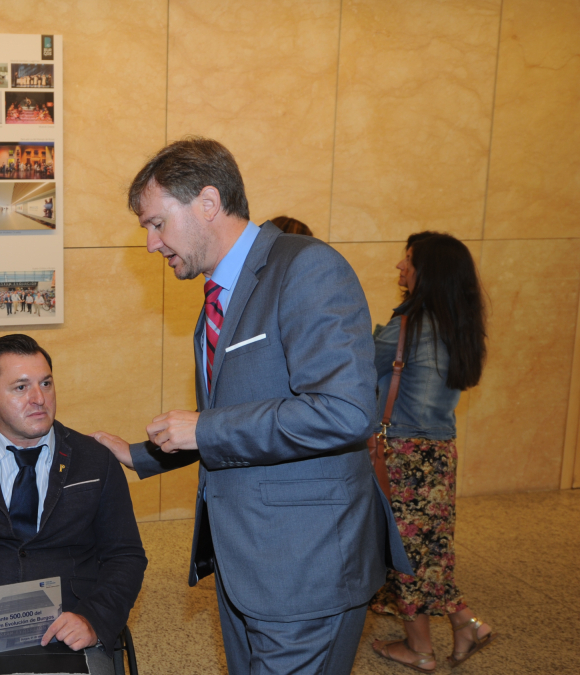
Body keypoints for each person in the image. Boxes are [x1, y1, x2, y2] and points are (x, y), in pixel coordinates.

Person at [93, 137, 411, 675]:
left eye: (156, 224)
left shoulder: (307, 269)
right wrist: (139, 455)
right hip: (249, 566)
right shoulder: (219, 297)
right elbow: (234, 417)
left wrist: (204, 428)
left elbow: (345, 410)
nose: (151, 244)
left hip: (304, 568)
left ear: (208, 203)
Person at [0, 335, 146, 675]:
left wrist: (94, 619)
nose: (38, 398)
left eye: (45, 383)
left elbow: (126, 555)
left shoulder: (95, 460)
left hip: (71, 622)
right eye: (20, 388)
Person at [370, 232, 493, 671]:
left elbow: (361, 362)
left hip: (402, 454)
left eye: (407, 261)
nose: (400, 269)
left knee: (405, 552)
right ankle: (463, 626)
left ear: (428, 271)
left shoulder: (410, 324)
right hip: (439, 453)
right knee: (427, 550)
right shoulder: (458, 324)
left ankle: (425, 647)